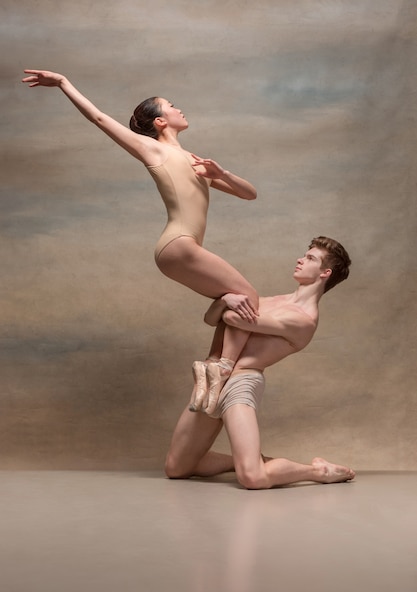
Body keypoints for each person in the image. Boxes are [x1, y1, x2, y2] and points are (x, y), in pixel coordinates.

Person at [21, 69, 259, 324]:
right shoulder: (153, 150)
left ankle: (217, 357)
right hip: (179, 244)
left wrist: (222, 173)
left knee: (238, 300)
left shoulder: (196, 162)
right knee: (250, 296)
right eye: (171, 106)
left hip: (177, 250)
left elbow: (249, 194)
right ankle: (221, 360)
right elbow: (99, 119)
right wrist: (62, 82)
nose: (179, 109)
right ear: (160, 121)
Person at [165, 236, 355, 489]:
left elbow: (234, 320)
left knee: (253, 478)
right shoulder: (268, 300)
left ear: (325, 273)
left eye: (310, 258)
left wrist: (233, 302)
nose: (300, 259)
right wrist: (224, 300)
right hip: (212, 379)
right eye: (304, 254)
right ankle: (252, 460)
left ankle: (318, 471)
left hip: (240, 382)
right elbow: (212, 319)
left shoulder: (304, 320)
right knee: (177, 468)